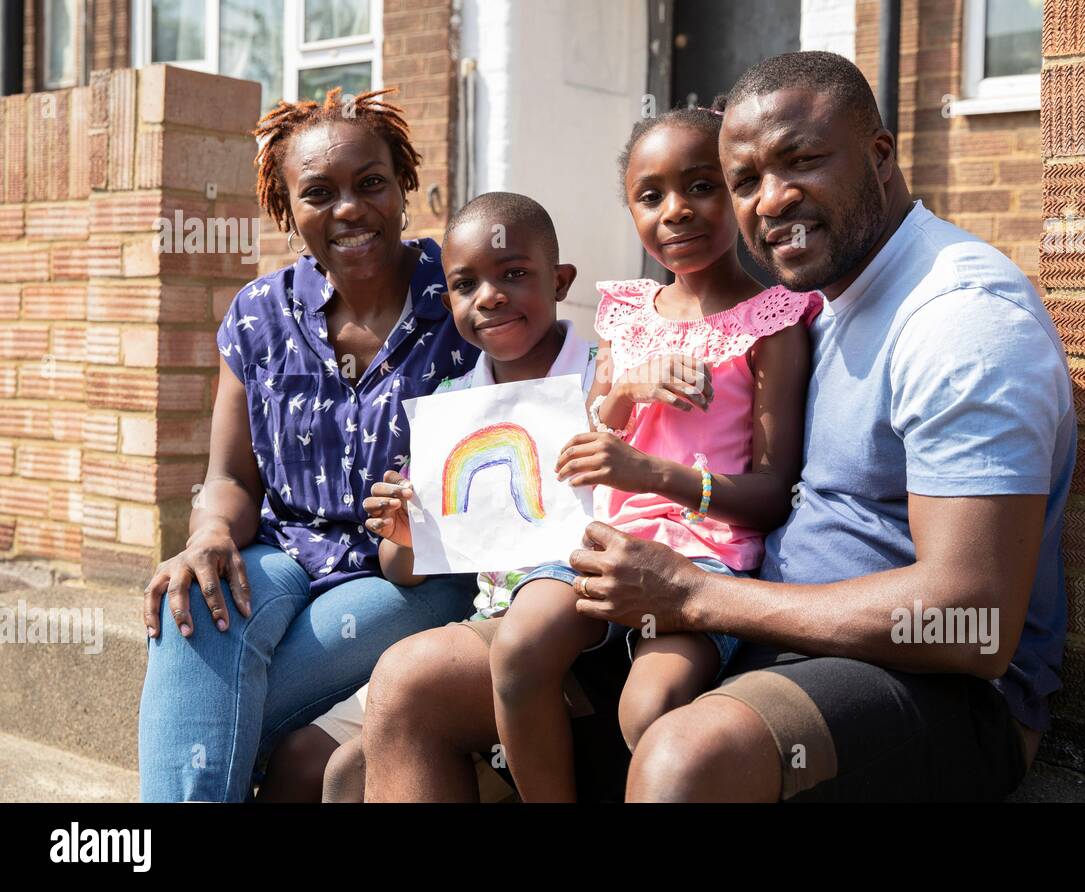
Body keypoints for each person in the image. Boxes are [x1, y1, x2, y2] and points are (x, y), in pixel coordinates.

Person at [565, 50, 1077, 801]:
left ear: (880, 157)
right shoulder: (822, 304)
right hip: (769, 626)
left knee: (683, 762)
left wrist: (693, 596)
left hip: (934, 690)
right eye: (744, 182)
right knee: (423, 689)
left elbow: (970, 624)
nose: (770, 201)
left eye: (800, 161)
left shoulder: (959, 319)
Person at [361, 106, 816, 802]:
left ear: (739, 187)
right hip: (596, 543)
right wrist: (626, 396)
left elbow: (769, 489)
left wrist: (650, 472)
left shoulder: (772, 322)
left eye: (702, 186)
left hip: (699, 557)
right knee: (517, 647)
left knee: (648, 711)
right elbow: (587, 443)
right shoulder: (626, 319)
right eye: (651, 195)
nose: (677, 212)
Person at [137, 88, 479, 802]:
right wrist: (208, 535)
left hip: (408, 569)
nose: (349, 209)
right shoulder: (258, 316)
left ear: (404, 183)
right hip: (284, 552)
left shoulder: (461, 295)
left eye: (371, 183)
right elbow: (231, 476)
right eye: (319, 193)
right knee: (194, 604)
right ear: (288, 210)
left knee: (222, 704)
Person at [263, 190, 594, 803]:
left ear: (562, 280)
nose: (489, 296)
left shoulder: (602, 377)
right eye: (466, 285)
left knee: (369, 746)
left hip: (577, 632)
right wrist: (405, 533)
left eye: (514, 274)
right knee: (309, 759)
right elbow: (406, 569)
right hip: (483, 620)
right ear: (449, 303)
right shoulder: (452, 406)